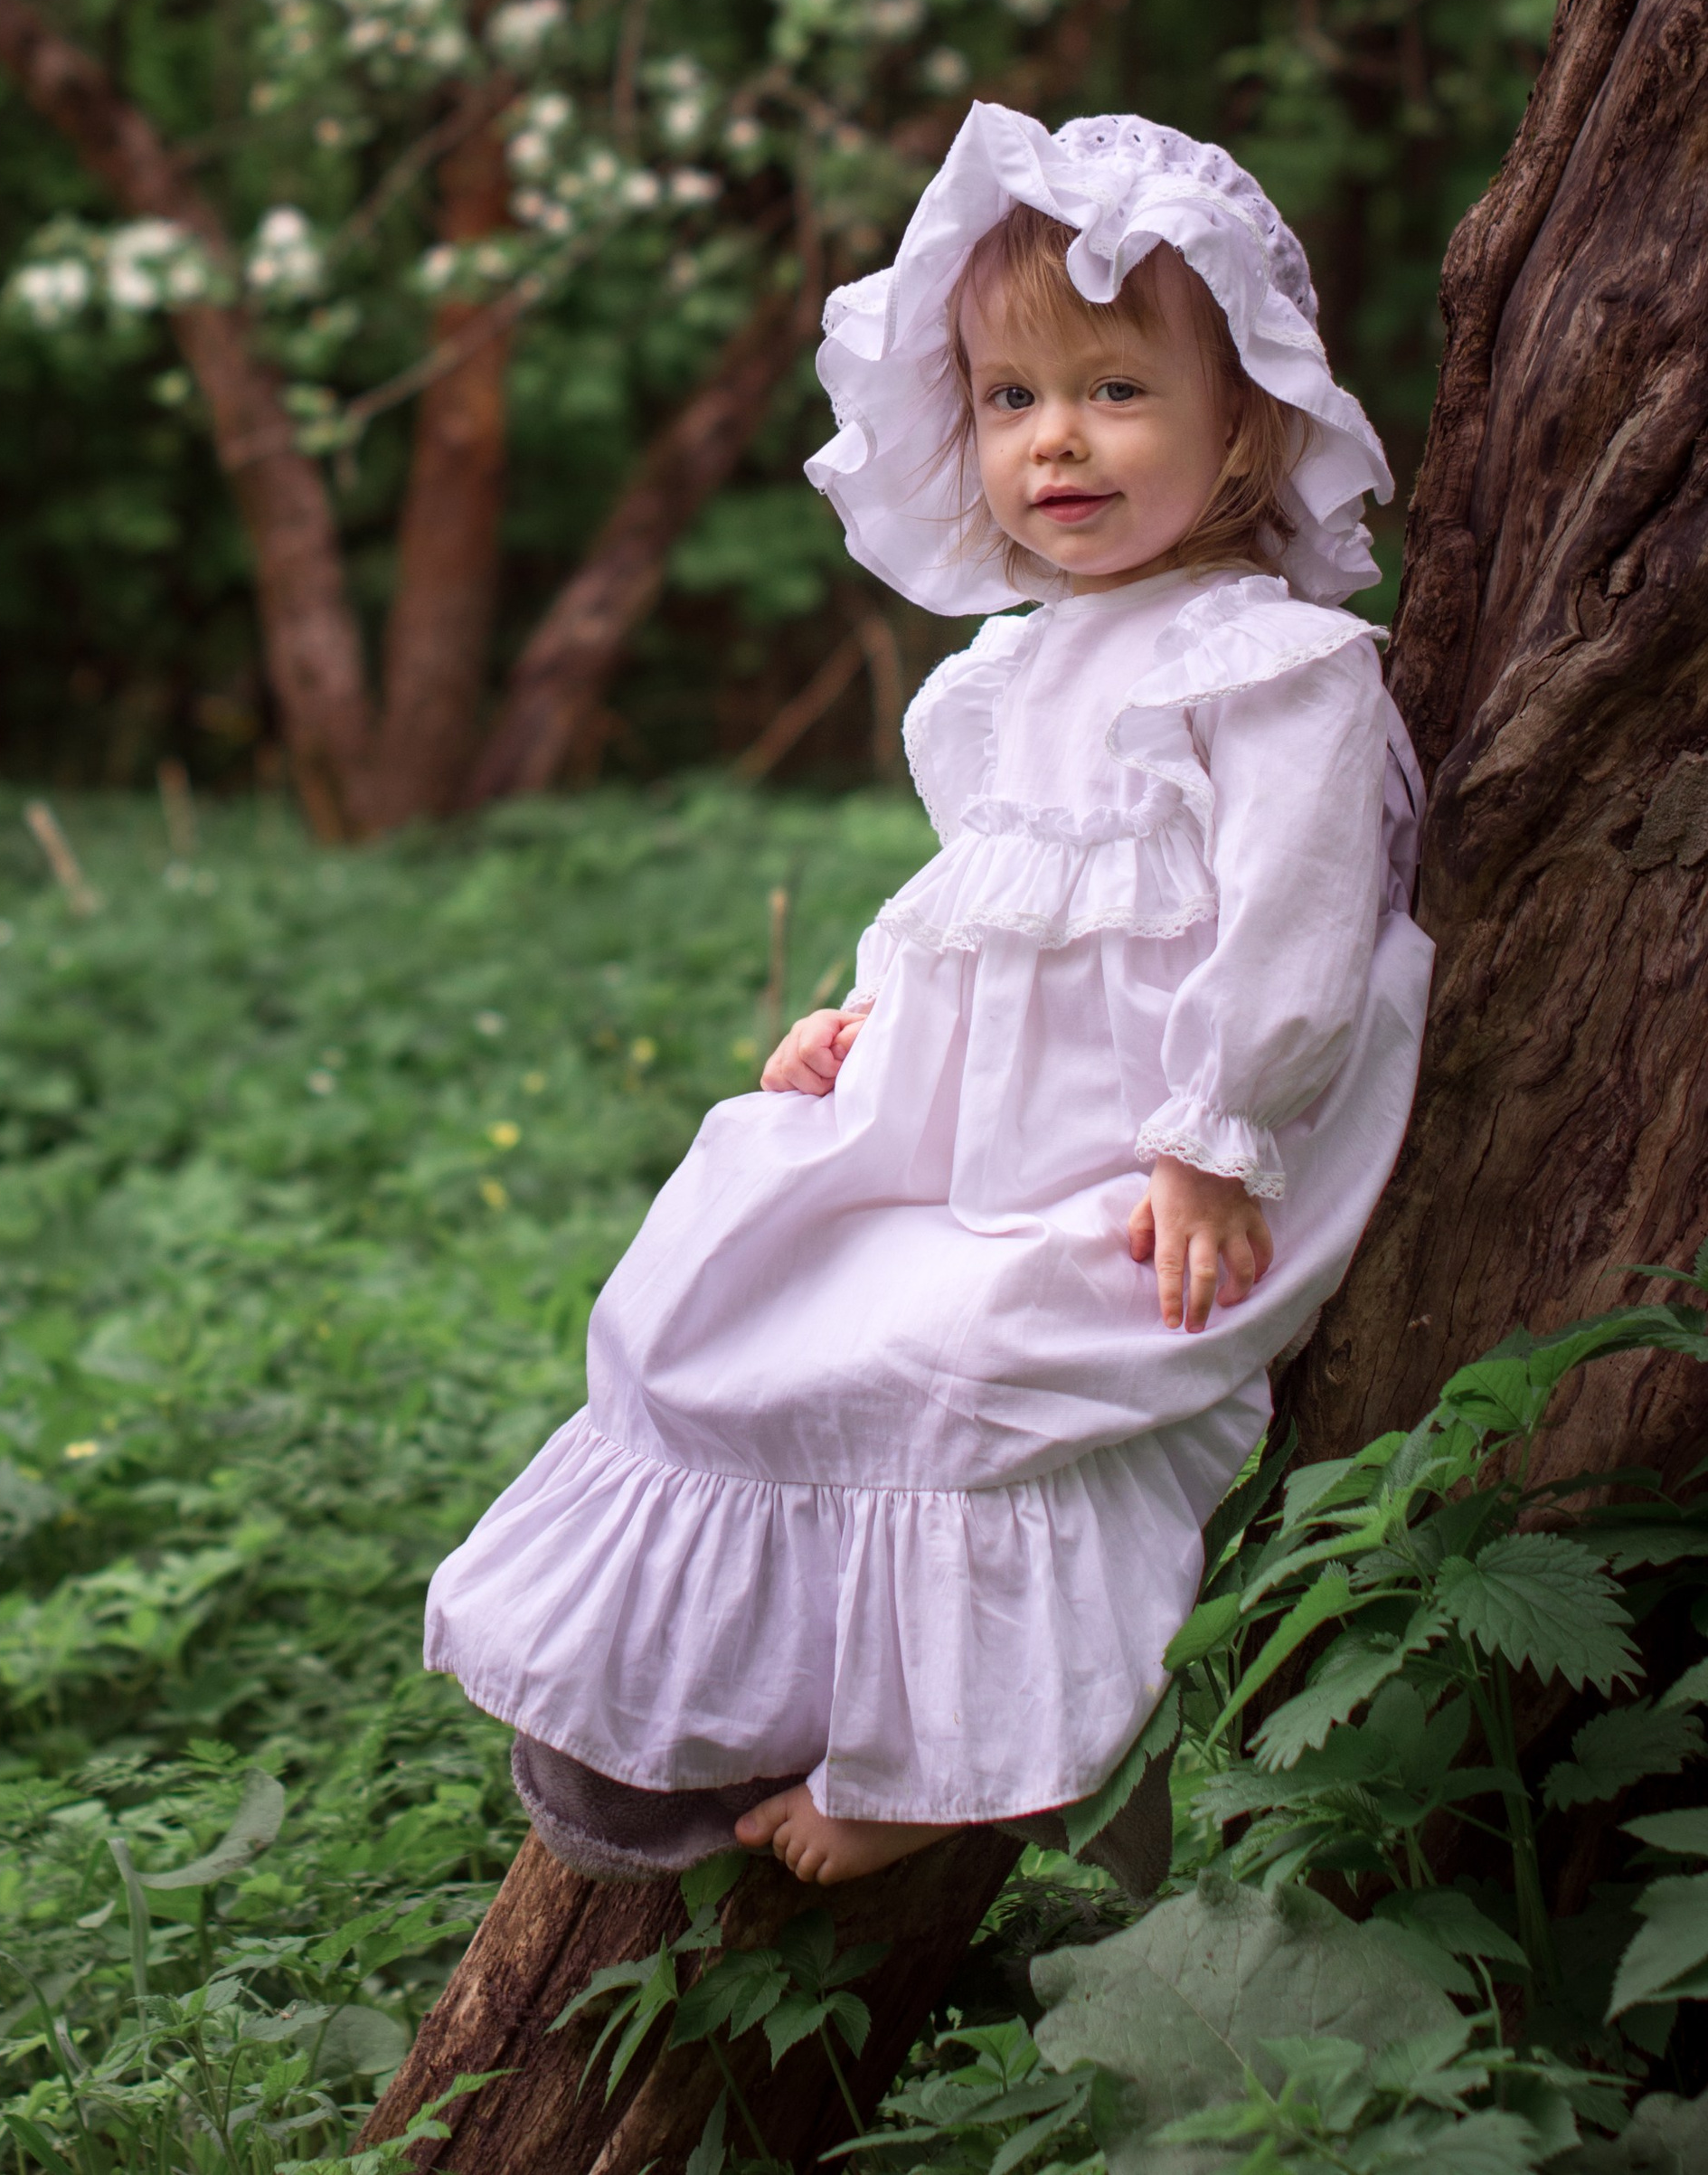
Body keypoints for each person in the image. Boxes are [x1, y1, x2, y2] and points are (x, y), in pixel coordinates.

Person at [424, 106, 1432, 1888]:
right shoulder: (1007, 674)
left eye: (1114, 390)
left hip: (1133, 1153)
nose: (1056, 439)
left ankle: (932, 1760)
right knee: (711, 1272)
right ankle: (694, 1697)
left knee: (975, 1363)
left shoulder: (1271, 665)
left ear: (1242, 422)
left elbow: (1293, 923)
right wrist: (863, 1019)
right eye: (1007, 399)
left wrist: (1214, 1138)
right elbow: (975, 902)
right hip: (958, 1117)